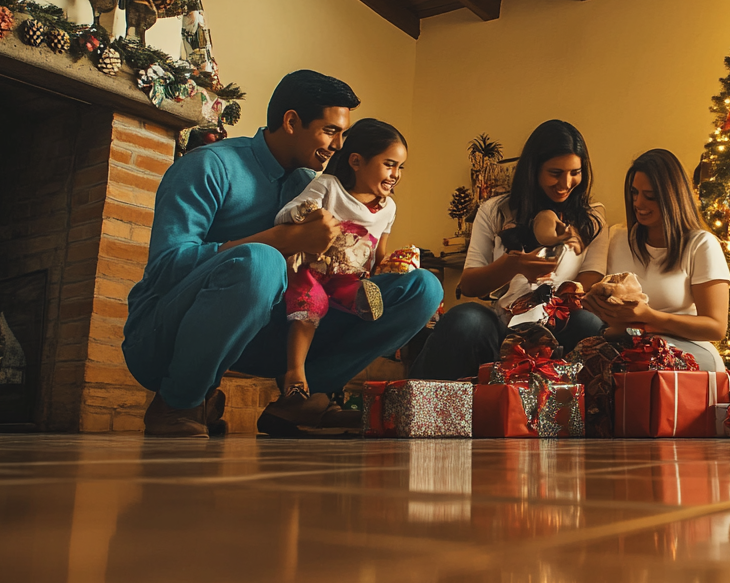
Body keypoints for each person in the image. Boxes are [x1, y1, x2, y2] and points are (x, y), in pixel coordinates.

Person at [122, 71, 442, 437]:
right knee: (263, 261)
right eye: (330, 131)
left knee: (423, 290)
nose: (339, 145)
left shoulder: (318, 186)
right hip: (164, 334)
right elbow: (166, 269)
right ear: (292, 122)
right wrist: (282, 239)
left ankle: (302, 398)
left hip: (272, 334)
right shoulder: (210, 166)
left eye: (343, 134)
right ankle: (179, 401)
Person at [408, 120, 608, 379]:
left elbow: (591, 278)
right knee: (465, 319)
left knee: (588, 323)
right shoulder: (495, 210)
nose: (566, 183)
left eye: (575, 172)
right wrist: (512, 265)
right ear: (534, 169)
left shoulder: (592, 219)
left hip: (557, 323)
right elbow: (469, 285)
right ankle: (425, 410)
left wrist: (555, 301)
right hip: (502, 323)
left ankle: (576, 415)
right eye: (555, 173)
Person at [262, 118, 407, 436]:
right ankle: (295, 373)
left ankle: (359, 305)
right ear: (357, 161)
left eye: (400, 168)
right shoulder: (328, 187)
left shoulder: (388, 208)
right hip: (313, 270)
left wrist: (393, 265)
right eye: (389, 165)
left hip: (349, 278)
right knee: (309, 305)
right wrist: (314, 214)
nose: (395, 174)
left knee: (361, 291)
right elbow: (286, 213)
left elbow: (379, 253)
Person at [583, 149, 730, 371]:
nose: (638, 203)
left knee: (645, 367)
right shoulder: (615, 237)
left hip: (686, 350)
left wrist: (649, 317)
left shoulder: (701, 244)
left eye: (650, 196)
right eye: (634, 193)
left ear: (673, 197)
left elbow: (716, 327)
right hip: (625, 347)